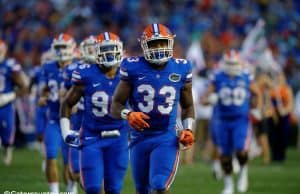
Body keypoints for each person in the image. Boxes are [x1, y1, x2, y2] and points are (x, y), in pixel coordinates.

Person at [111, 23, 195, 194]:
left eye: (162, 43)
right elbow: (116, 105)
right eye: (153, 44)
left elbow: (187, 105)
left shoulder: (181, 67)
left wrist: (188, 129)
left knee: (158, 184)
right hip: (139, 138)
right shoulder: (132, 67)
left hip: (166, 136)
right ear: (144, 46)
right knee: (141, 190)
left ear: (171, 43)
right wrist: (129, 114)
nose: (158, 48)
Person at [60, 32, 128, 194]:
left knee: (114, 189)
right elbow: (67, 103)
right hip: (92, 137)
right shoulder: (86, 73)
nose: (109, 53)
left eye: (112, 49)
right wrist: (66, 132)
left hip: (118, 138)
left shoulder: (128, 73)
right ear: (96, 52)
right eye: (105, 50)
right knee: (92, 188)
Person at [203, 50, 262, 194]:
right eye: (229, 63)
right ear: (224, 63)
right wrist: (210, 99)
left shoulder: (246, 76)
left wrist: (257, 108)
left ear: (239, 63)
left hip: (241, 120)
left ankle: (243, 171)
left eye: (234, 63)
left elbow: (257, 93)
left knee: (241, 151)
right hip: (222, 121)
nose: (232, 66)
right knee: (224, 155)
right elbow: (204, 98)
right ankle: (228, 186)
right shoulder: (217, 76)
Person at [39, 33, 76, 193]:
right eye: (58, 47)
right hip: (54, 118)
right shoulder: (48, 67)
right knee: (50, 156)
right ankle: (54, 191)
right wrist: (43, 95)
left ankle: (70, 188)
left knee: (70, 163)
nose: (61, 51)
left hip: (73, 120)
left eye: (63, 47)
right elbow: (45, 88)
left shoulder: (78, 67)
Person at [61, 35, 97, 192]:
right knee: (75, 171)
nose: (90, 51)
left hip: (97, 123)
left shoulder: (108, 69)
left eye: (93, 47)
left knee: (95, 172)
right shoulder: (73, 69)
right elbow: (65, 95)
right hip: (77, 121)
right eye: (88, 47)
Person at [0, 39, 28, 165]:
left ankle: (7, 150)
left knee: (7, 133)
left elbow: (23, 86)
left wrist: (9, 96)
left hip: (5, 104)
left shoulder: (9, 65)